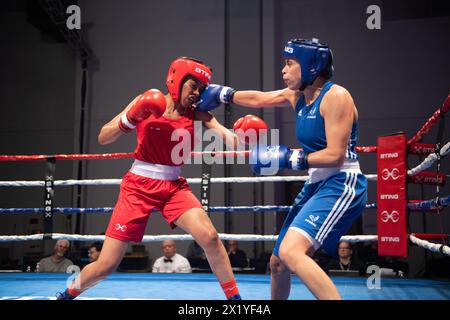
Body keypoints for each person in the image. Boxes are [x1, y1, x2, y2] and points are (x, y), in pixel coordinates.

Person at [56, 57, 266, 300]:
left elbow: (229, 139)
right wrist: (131, 117)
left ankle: (234, 300)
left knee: (209, 237)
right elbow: (104, 136)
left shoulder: (198, 113)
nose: (197, 93)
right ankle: (66, 295)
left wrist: (248, 137)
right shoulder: (144, 101)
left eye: (201, 88)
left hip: (173, 187)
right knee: (107, 264)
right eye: (193, 85)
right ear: (176, 79)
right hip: (137, 186)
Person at [196, 38, 368, 299]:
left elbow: (335, 155)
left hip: (342, 181)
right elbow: (258, 98)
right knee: (278, 263)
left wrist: (291, 158)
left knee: (291, 252)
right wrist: (224, 94)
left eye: (289, 64)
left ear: (311, 66)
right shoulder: (296, 96)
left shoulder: (336, 97)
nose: (283, 71)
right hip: (315, 184)